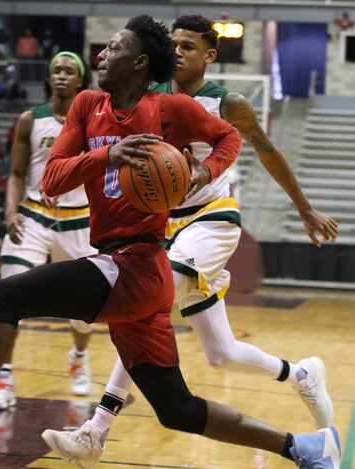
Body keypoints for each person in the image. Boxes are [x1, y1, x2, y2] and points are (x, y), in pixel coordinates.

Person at [0, 16, 340, 469]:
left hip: (139, 262)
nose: (100, 56)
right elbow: (53, 179)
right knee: (177, 409)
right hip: (130, 267)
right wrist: (107, 154)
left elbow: (231, 137)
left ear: (139, 62)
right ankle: (304, 447)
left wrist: (203, 171)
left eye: (113, 48)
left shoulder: (169, 108)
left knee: (3, 296)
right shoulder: (87, 105)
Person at [62, 15, 340, 467]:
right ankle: (301, 373)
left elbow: (267, 149)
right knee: (222, 353)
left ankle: (97, 428)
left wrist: (304, 208)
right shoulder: (150, 100)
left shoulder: (225, 103)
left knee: (145, 305)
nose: (180, 53)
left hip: (213, 221)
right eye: (174, 45)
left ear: (210, 55)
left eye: (189, 47)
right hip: (164, 228)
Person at [0, 51, 96, 410]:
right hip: (32, 216)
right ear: (48, 78)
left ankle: (78, 359)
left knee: (87, 308)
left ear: (80, 80)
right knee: (9, 292)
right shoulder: (30, 120)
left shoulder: (95, 121)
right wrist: (10, 211)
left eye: (69, 71)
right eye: (56, 70)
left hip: (79, 220)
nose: (62, 75)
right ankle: (3, 377)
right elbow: (15, 174)